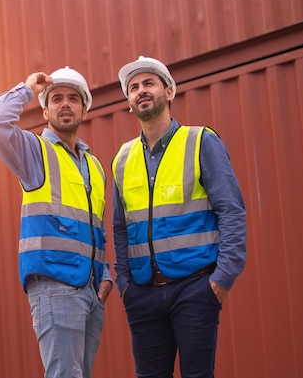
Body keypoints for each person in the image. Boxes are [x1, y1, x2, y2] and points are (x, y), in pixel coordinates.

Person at [111, 56, 247, 378]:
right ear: (129, 102)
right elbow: (120, 227)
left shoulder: (200, 141)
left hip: (196, 289)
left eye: (149, 83)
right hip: (142, 294)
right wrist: (125, 285)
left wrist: (221, 280)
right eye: (133, 88)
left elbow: (232, 211)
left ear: (169, 91)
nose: (141, 91)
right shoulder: (122, 158)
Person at [0, 67, 113, 378]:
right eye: (56, 99)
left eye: (72, 98)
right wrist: (28, 88)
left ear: (85, 108)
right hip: (56, 287)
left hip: (90, 290)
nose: (65, 104)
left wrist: (105, 273)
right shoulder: (35, 151)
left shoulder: (93, 166)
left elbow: (95, 225)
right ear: (45, 109)